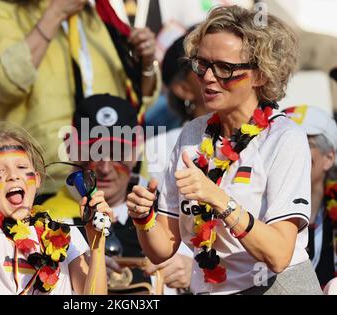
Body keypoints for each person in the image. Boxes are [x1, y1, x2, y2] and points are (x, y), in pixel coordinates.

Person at [127, 5, 323, 295]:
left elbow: (279, 255)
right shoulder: (192, 134)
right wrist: (144, 218)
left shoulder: (284, 138)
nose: (207, 77)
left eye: (225, 69)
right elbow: (163, 249)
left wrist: (220, 199)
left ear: (260, 75)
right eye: (201, 64)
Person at [0, 0, 161, 197]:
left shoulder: (97, 13)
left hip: (116, 184)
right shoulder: (0, 12)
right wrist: (55, 13)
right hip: (48, 185)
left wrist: (146, 65)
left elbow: (138, 102)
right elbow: (5, 83)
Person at [43, 93, 193, 294]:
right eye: (93, 152)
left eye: (117, 153)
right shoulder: (44, 216)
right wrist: (68, 267)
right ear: (70, 147)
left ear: (137, 151)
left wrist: (193, 273)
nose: (105, 167)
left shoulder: (167, 210)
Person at [0, 125, 111, 294]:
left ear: (36, 178)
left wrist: (97, 244)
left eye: (21, 167)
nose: (13, 176)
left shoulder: (64, 233)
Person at [283, 105, 337, 287]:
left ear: (328, 158)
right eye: (282, 143)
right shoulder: (259, 209)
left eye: (304, 143)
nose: (289, 152)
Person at [146, 32, 207, 185]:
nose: (217, 72)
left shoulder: (267, 131)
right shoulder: (157, 150)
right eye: (202, 64)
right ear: (183, 89)